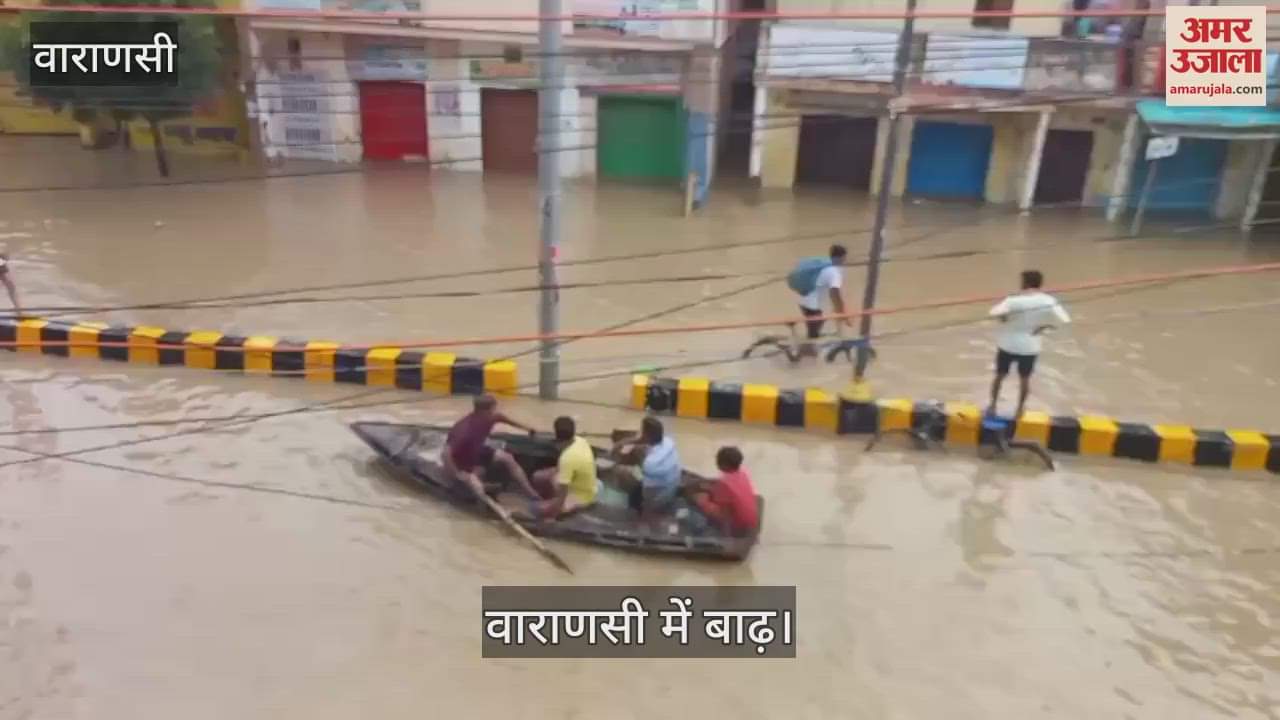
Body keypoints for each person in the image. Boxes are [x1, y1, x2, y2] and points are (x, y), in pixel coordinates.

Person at [987, 270, 1071, 419]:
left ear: (1025, 283)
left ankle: (993, 405)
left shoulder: (1013, 300)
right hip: (1030, 346)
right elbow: (1064, 320)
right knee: (1024, 379)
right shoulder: (1049, 301)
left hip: (1008, 344)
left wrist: (1004, 318)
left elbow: (993, 312)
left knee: (1000, 376)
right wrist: (1045, 327)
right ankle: (1020, 409)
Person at [441, 394, 541, 501]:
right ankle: (483, 492)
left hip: (479, 450)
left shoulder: (492, 417)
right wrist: (457, 474)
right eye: (493, 409)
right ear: (484, 411)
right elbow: (446, 453)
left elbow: (503, 418)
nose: (494, 412)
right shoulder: (464, 428)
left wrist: (527, 428)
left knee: (507, 458)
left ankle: (532, 493)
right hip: (463, 458)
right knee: (475, 479)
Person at [610, 416, 682, 518]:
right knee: (636, 455)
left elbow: (615, 452)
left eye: (642, 430)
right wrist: (637, 441)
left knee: (620, 471)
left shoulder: (650, 463)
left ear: (646, 435)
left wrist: (631, 443)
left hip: (655, 501)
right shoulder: (668, 442)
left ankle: (634, 507)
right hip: (670, 491)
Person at [529, 416, 599, 519]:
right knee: (538, 477)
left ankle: (560, 509)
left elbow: (562, 496)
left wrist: (551, 514)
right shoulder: (581, 440)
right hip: (583, 485)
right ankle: (549, 499)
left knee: (536, 509)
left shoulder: (567, 458)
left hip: (580, 497)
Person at [786, 244, 851, 357]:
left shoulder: (823, 263)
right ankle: (801, 357)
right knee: (813, 338)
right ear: (841, 257)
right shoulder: (834, 272)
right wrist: (843, 314)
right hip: (812, 306)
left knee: (816, 329)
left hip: (803, 301)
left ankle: (805, 351)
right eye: (845, 258)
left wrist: (837, 308)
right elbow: (835, 294)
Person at [688, 446, 759, 537]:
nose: (716, 462)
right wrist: (711, 490)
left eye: (718, 460)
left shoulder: (724, 483)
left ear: (725, 464)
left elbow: (724, 514)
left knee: (698, 502)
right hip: (749, 519)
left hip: (737, 525)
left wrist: (704, 502)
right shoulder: (742, 473)